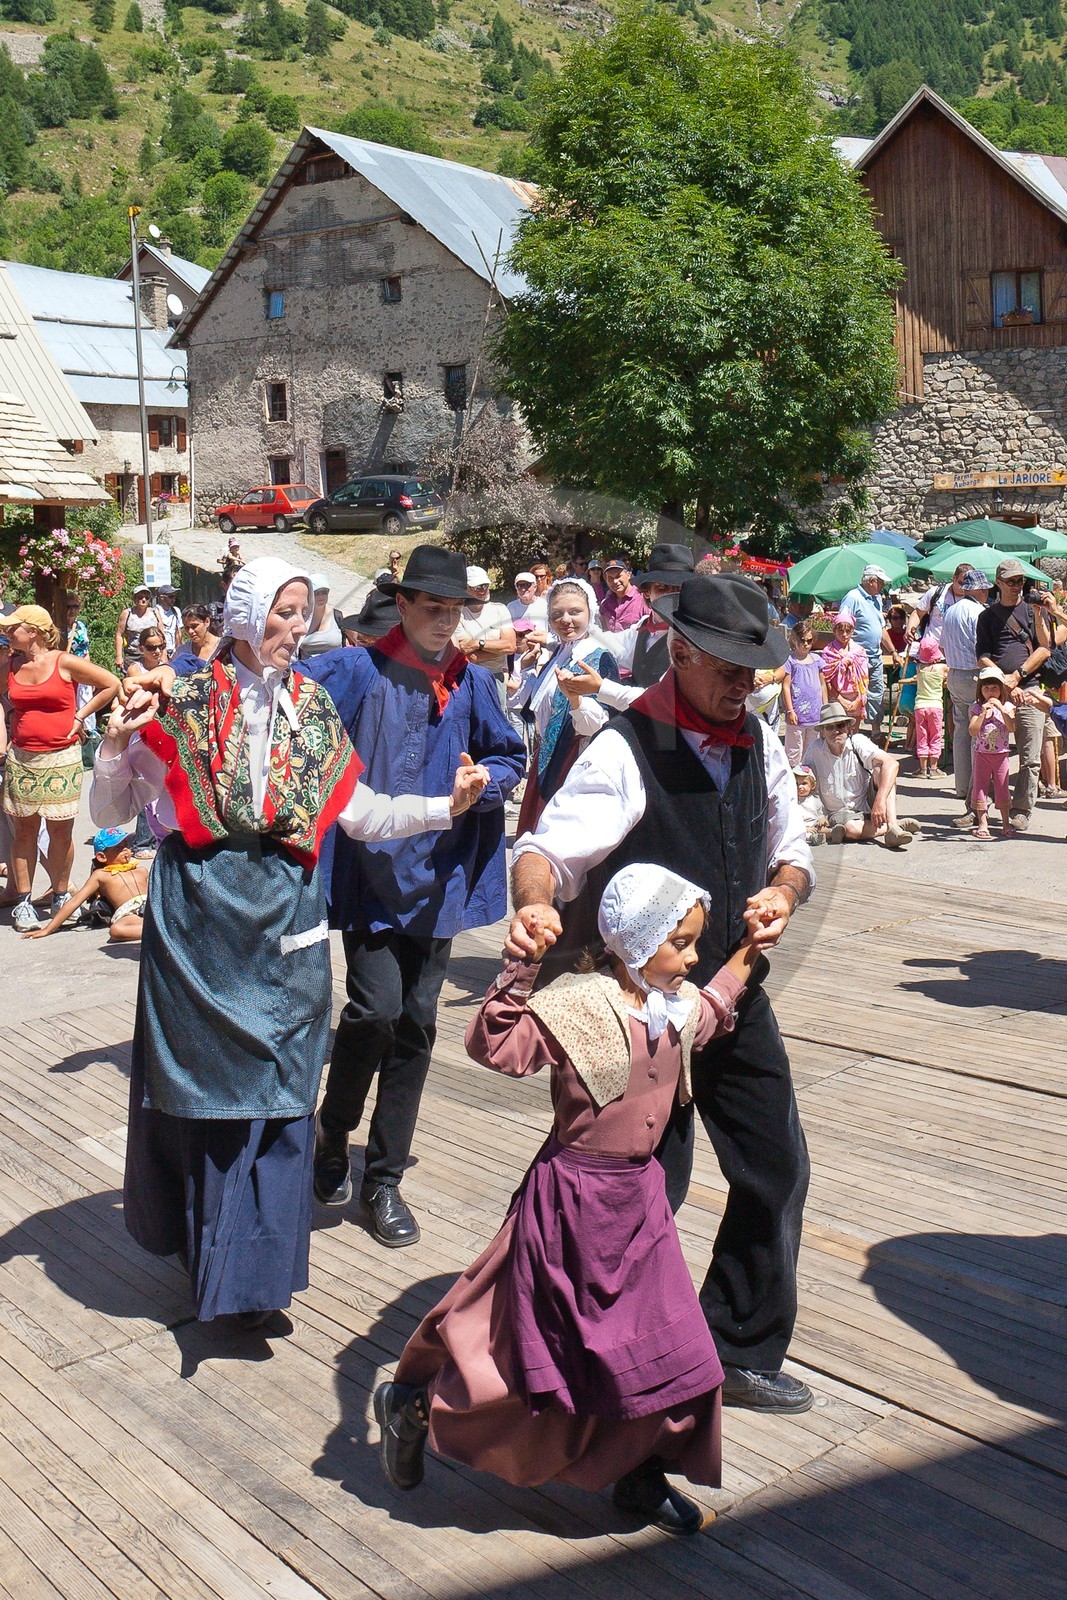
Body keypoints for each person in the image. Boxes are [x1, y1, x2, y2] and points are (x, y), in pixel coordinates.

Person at [91, 557, 490, 1326]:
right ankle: (208, 1260)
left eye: (305, 612)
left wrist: (446, 805)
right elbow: (118, 803)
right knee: (208, 1094)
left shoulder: (310, 703)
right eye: (284, 612)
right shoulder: (180, 699)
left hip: (287, 919)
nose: (296, 627)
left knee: (280, 1091)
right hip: (200, 916)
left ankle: (256, 1281)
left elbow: (362, 811)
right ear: (245, 615)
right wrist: (113, 747)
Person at [507, 574, 816, 1414]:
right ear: (679, 651)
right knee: (633, 1188)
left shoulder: (760, 741)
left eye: (752, 670)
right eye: (727, 667)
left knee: (776, 1167)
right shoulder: (623, 746)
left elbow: (793, 851)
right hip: (641, 1020)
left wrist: (781, 894)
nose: (742, 685)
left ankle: (736, 1344)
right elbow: (547, 850)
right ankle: (561, 1348)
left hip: (733, 996)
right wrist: (535, 903)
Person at [376, 864, 761, 1534]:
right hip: (569, 1205)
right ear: (636, 942)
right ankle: (414, 1409)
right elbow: (496, 1045)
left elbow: (713, 1009)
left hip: (639, 1207)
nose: (694, 957)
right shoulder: (580, 1003)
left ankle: (643, 1475)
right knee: (537, 1358)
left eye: (697, 944)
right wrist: (519, 966)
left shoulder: (672, 1004)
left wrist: (751, 952)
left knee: (674, 1351)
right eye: (683, 943)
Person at [301, 547, 526, 1248]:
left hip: (441, 876)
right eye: (431, 607)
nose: (443, 621)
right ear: (400, 605)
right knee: (374, 1009)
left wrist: (485, 779)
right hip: (368, 873)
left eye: (454, 609)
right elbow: (279, 694)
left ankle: (385, 1178)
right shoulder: (353, 670)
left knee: (418, 1022)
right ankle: (335, 1133)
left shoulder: (471, 683)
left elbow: (508, 754)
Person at [1, 605, 119, 932]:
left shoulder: (63, 661)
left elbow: (110, 683)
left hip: (62, 758)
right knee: (24, 831)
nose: (8, 634)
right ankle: (23, 902)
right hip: (22, 758)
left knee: (59, 831)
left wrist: (80, 717)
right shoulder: (9, 666)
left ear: (35, 631)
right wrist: (5, 730)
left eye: (14, 628)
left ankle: (59, 894)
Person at [509, 578, 619, 831]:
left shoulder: (597, 657)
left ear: (590, 612)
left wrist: (575, 698)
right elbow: (534, 705)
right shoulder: (560, 653)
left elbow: (599, 725)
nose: (565, 620)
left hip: (575, 763)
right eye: (557, 614)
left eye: (575, 612)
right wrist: (526, 669)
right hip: (548, 757)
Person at [975, 558, 1052, 832]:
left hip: (1029, 690)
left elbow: (1045, 648)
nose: (1017, 586)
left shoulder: (1033, 612)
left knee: (1030, 756)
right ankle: (979, 807)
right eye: (1011, 581)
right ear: (999, 583)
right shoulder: (986, 617)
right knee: (986, 750)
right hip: (998, 692)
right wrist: (1002, 680)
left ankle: (1021, 809)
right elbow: (982, 655)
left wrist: (1017, 675)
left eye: (1020, 581)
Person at [806, 702, 915, 848]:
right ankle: (892, 826)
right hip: (840, 814)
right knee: (851, 829)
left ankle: (893, 826)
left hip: (868, 804)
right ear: (822, 732)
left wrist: (879, 801)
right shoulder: (815, 750)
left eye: (841, 726)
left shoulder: (857, 741)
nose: (836, 731)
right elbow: (803, 778)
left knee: (880, 769)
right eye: (830, 727)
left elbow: (892, 764)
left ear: (848, 727)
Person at [21, 824, 151, 942]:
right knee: (116, 930)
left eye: (126, 845)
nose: (125, 850)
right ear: (101, 857)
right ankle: (158, 932)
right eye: (118, 847)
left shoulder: (141, 871)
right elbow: (75, 901)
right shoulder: (101, 875)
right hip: (128, 913)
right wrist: (47, 929)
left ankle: (159, 929)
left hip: (150, 908)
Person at [938, 567, 990, 828]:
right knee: (975, 735)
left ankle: (962, 788)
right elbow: (980, 648)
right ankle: (974, 795)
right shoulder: (978, 612)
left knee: (960, 733)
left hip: (954, 673)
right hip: (972, 674)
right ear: (979, 590)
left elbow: (941, 646)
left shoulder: (951, 611)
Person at [837, 564, 899, 740]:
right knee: (855, 692)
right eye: (880, 582)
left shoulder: (876, 599)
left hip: (874, 655)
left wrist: (892, 650)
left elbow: (881, 628)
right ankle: (851, 733)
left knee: (876, 692)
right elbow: (843, 625)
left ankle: (875, 732)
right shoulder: (852, 598)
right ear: (871, 581)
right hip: (857, 657)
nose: (882, 586)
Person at [969, 666, 1016, 840]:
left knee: (1002, 787)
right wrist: (982, 714)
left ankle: (1005, 823)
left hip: (1001, 755)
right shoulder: (977, 708)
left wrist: (1002, 710)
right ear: (980, 690)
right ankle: (983, 824)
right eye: (986, 688)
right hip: (982, 755)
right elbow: (972, 731)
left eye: (995, 688)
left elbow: (1011, 727)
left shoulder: (1008, 706)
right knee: (980, 788)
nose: (990, 692)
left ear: (1001, 690)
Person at [453, 566, 517, 683]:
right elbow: (470, 655)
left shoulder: (500, 610)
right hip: (469, 676)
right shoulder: (457, 614)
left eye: (485, 586)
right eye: (477, 587)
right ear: (465, 588)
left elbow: (511, 646)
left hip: (496, 677)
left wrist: (478, 644)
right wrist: (498, 651)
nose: (482, 591)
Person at [781, 621, 824, 767]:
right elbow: (786, 686)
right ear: (794, 640)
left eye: (809, 641)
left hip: (815, 713)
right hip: (797, 714)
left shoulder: (818, 660)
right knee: (793, 751)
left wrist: (825, 707)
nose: (806, 644)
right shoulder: (790, 661)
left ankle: (806, 779)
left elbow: (823, 684)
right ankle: (792, 778)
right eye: (802, 640)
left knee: (811, 750)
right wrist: (790, 710)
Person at [818, 612, 869, 725]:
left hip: (855, 696)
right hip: (836, 697)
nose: (844, 634)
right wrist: (841, 699)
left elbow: (864, 680)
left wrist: (858, 700)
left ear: (852, 631)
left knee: (854, 733)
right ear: (834, 631)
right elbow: (827, 680)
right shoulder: (829, 652)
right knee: (839, 731)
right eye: (841, 631)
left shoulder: (859, 651)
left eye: (848, 631)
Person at [909, 562, 971, 648]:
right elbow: (917, 613)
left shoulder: (973, 598)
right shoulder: (936, 592)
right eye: (961, 583)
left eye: (967, 584)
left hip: (957, 650)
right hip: (931, 649)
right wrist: (910, 628)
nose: (963, 587)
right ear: (954, 578)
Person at [913, 636, 948, 779]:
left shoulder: (919, 668)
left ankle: (922, 768)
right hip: (935, 706)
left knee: (922, 736)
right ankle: (933, 768)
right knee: (935, 736)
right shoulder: (942, 668)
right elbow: (948, 677)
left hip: (920, 706)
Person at [115, 586, 163, 672]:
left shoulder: (155, 613)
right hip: (132, 655)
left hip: (153, 653)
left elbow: (162, 636)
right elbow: (119, 635)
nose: (143, 600)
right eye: (140, 597)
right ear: (134, 598)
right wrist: (119, 656)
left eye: (147, 597)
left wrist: (163, 656)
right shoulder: (127, 613)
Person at [598, 555, 647, 639]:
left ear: (628, 575)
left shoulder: (643, 599)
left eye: (618, 576)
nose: (615, 581)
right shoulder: (605, 605)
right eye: (610, 578)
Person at [298, 575, 344, 659]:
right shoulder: (301, 618)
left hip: (335, 669)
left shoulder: (337, 616)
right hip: (307, 669)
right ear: (309, 594)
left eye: (324, 592)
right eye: (317, 593)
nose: (321, 596)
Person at [169, 604, 220, 676]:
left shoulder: (221, 647)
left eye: (194, 626)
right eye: (186, 627)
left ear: (207, 622)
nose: (190, 631)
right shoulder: (182, 651)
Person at [793, 766, 828, 845]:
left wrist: (821, 818)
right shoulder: (793, 801)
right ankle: (813, 838)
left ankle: (833, 833)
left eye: (804, 784)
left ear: (813, 786)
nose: (800, 787)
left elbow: (820, 812)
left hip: (814, 825)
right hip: (801, 827)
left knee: (823, 829)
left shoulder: (815, 799)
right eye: (796, 784)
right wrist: (804, 828)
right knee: (798, 834)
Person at [155, 586, 183, 655]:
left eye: (175, 596)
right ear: (161, 597)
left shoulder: (176, 611)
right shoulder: (155, 611)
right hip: (160, 651)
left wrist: (179, 650)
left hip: (174, 651)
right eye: (171, 596)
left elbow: (178, 632)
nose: (174, 599)